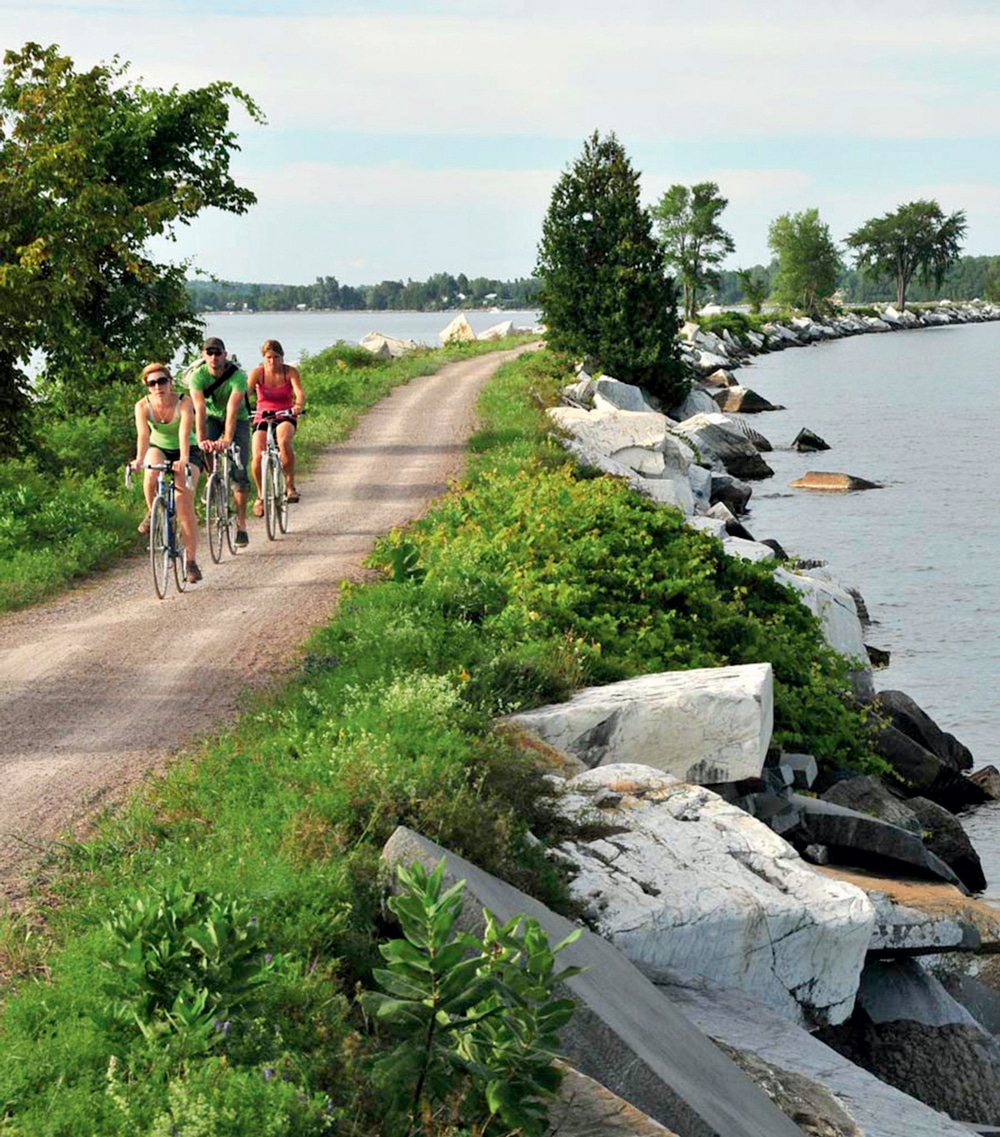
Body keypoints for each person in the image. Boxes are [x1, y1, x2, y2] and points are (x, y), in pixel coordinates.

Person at [132, 362, 204, 584]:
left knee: (184, 504)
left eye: (162, 381)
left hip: (187, 450)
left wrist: (183, 459)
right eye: (152, 383)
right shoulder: (142, 406)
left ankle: (190, 562)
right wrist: (139, 459)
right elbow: (143, 436)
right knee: (150, 472)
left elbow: (184, 432)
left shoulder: (184, 402)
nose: (157, 387)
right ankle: (153, 510)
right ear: (147, 387)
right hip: (160, 448)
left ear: (170, 382)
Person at [186, 336, 252, 547]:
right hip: (212, 416)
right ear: (204, 356)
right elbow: (199, 408)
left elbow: (233, 408)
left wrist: (227, 439)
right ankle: (211, 480)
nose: (214, 357)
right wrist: (202, 439)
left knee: (239, 473)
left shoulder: (238, 376)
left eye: (218, 353)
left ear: (225, 354)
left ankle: (242, 526)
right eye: (209, 353)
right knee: (201, 446)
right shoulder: (197, 376)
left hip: (238, 419)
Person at [247, 338, 305, 516]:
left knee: (283, 439)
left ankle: (289, 485)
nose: (272, 361)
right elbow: (245, 393)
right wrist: (240, 408)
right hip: (262, 415)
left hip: (285, 414)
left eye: (276, 357)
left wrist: (298, 405)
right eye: (269, 357)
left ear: (282, 357)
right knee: (257, 454)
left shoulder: (290, 372)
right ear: (264, 358)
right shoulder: (258, 373)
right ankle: (260, 496)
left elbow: (299, 392)